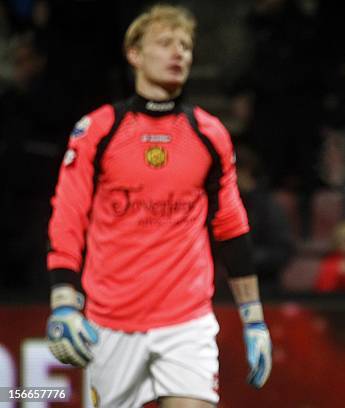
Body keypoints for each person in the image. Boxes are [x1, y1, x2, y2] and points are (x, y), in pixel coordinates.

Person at [45, 5, 272, 408]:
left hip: (187, 321)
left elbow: (231, 227)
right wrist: (64, 299)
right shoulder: (98, 129)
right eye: (165, 43)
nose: (178, 53)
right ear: (134, 53)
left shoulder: (208, 133)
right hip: (110, 322)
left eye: (185, 46)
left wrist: (253, 320)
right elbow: (68, 215)